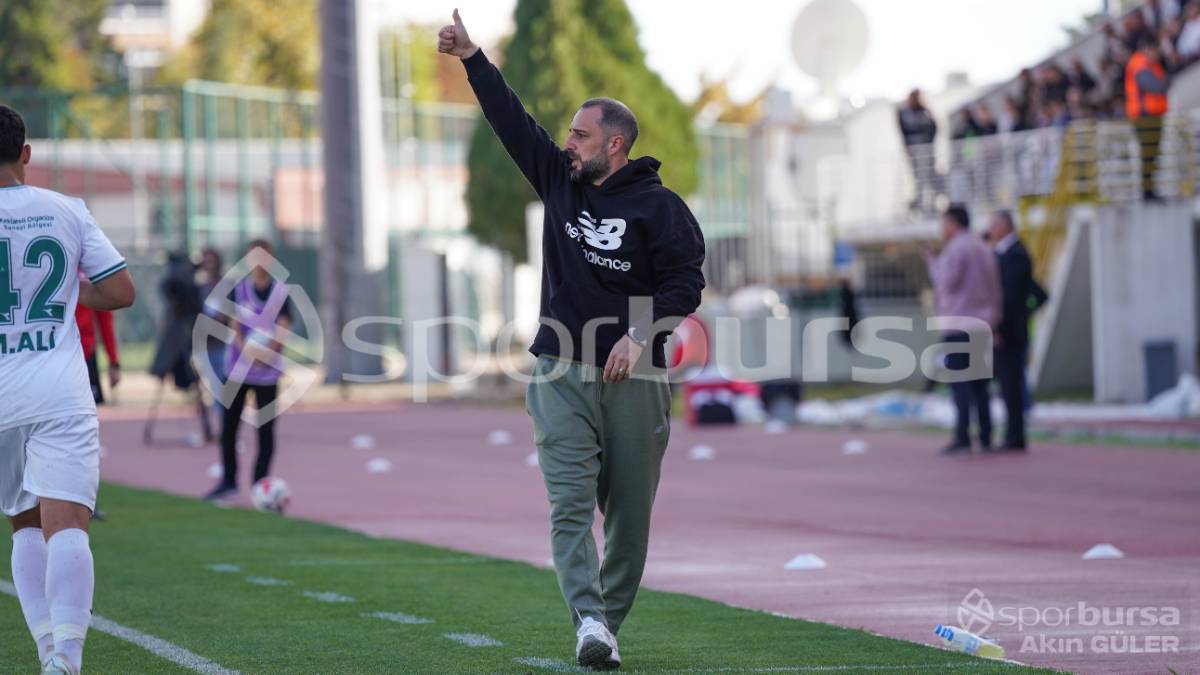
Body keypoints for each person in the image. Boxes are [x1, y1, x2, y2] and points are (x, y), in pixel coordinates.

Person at [439, 10, 706, 670]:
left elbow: (684, 286)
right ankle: (588, 618)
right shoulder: (559, 180)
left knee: (631, 519)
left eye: (582, 135)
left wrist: (639, 336)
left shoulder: (661, 208)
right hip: (560, 369)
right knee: (568, 503)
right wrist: (474, 58)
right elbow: (512, 121)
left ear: (614, 145)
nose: (569, 142)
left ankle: (606, 624)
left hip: (635, 377)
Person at [0, 104, 136, 675]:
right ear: (26, 154)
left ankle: (45, 651)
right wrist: (66, 298)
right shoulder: (67, 209)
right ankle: (67, 660)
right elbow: (120, 291)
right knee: (69, 528)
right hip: (58, 390)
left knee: (24, 525)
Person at [203, 239, 294, 502]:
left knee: (265, 431)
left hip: (268, 373)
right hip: (238, 370)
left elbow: (283, 327)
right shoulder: (240, 289)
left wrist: (268, 353)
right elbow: (236, 327)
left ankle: (260, 484)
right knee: (229, 428)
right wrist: (248, 353)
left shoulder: (280, 292)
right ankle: (229, 482)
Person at [923, 205, 1001, 455]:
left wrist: (933, 264)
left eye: (943, 223)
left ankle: (963, 435)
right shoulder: (983, 248)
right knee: (980, 383)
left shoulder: (955, 249)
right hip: (982, 322)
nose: (941, 229)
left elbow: (947, 282)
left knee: (960, 383)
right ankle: (986, 436)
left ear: (953, 223)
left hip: (958, 323)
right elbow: (994, 288)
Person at [986, 211, 1040, 452]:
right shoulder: (1003, 253)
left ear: (1005, 225)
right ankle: (1011, 433)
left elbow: (1010, 298)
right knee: (1007, 385)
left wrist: (998, 327)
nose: (990, 229)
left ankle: (1015, 436)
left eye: (993, 224)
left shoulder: (1016, 255)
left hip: (1010, 332)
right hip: (1008, 330)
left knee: (1012, 385)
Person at [1125, 35, 1170, 200]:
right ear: (1148, 49)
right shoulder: (1139, 63)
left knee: (1152, 153)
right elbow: (1156, 86)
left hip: (1153, 115)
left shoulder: (1152, 64)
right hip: (1144, 116)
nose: (1157, 53)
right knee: (1148, 152)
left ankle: (1150, 190)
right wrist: (1164, 83)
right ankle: (1147, 192)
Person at [897, 89, 940, 212]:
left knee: (926, 176)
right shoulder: (903, 112)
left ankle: (928, 203)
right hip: (913, 150)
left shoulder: (925, 111)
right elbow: (903, 131)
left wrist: (928, 142)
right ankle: (920, 202)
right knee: (917, 176)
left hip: (925, 150)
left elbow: (934, 127)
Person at [197, 247, 226, 429]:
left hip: (223, 343)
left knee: (224, 385)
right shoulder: (200, 287)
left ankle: (226, 426)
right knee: (213, 387)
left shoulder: (225, 284)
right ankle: (217, 425)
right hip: (205, 343)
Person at [74, 292, 120, 405]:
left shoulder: (89, 276)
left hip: (86, 355)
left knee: (93, 413)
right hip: (54, 357)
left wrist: (113, 362)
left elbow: (105, 321)